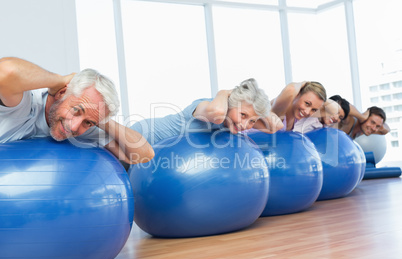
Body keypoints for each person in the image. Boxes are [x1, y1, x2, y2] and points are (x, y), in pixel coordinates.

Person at [0, 57, 154, 164]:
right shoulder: (27, 104)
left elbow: (143, 155)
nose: (73, 127)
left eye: (88, 122)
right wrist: (58, 81)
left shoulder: (86, 129)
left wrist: (100, 119)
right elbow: (5, 71)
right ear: (61, 93)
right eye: (76, 111)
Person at [130, 78, 283, 146]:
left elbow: (275, 126)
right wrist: (224, 92)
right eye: (243, 114)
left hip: (158, 152)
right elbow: (217, 115)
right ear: (230, 103)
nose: (245, 125)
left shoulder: (232, 121)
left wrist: (260, 104)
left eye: (252, 121)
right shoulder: (207, 106)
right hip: (143, 137)